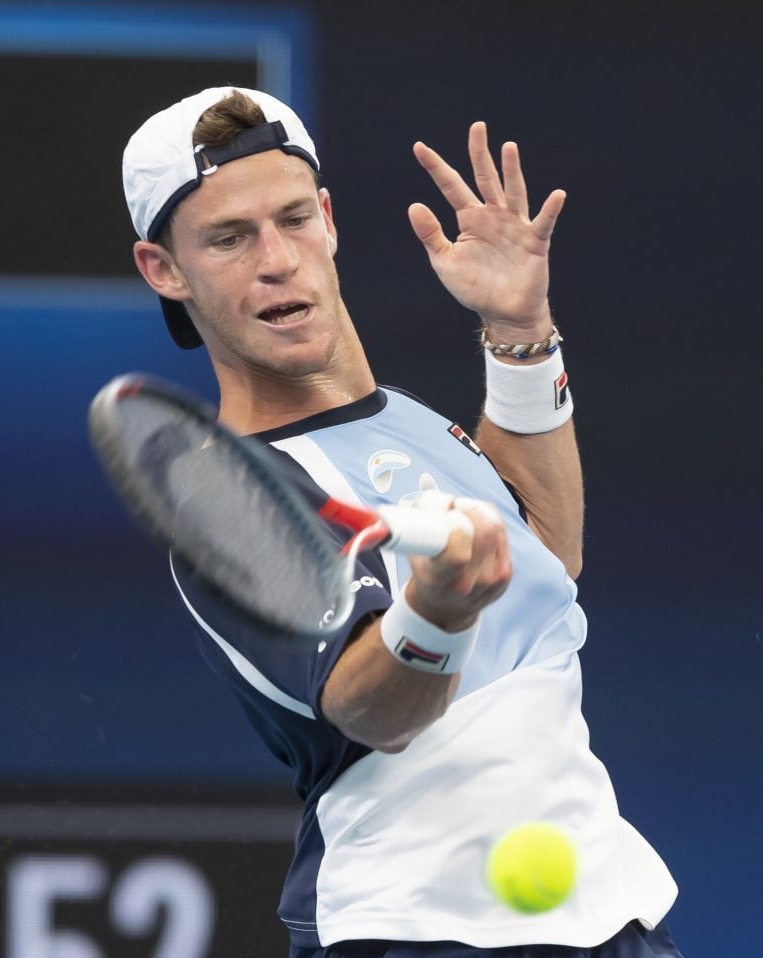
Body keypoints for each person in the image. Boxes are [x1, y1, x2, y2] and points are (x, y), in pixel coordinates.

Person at [122, 87, 683, 958]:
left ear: (331, 220)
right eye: (229, 239)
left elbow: (548, 547)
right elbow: (373, 711)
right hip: (423, 934)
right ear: (164, 269)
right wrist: (440, 613)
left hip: (602, 911)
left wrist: (518, 327)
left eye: (294, 219)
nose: (277, 260)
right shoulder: (226, 497)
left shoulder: (407, 419)